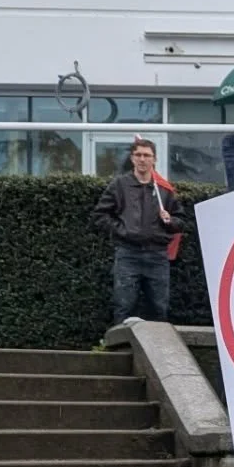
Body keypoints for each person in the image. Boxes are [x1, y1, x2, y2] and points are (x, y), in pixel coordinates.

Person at [89, 138, 187, 326]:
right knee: (123, 306)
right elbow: (100, 215)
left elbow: (180, 222)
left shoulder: (164, 190)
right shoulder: (120, 185)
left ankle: (159, 352)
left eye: (147, 155)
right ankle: (121, 352)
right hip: (128, 254)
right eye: (138, 155)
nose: (143, 159)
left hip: (157, 255)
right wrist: (122, 231)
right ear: (132, 158)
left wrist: (170, 221)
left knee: (159, 309)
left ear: (154, 160)